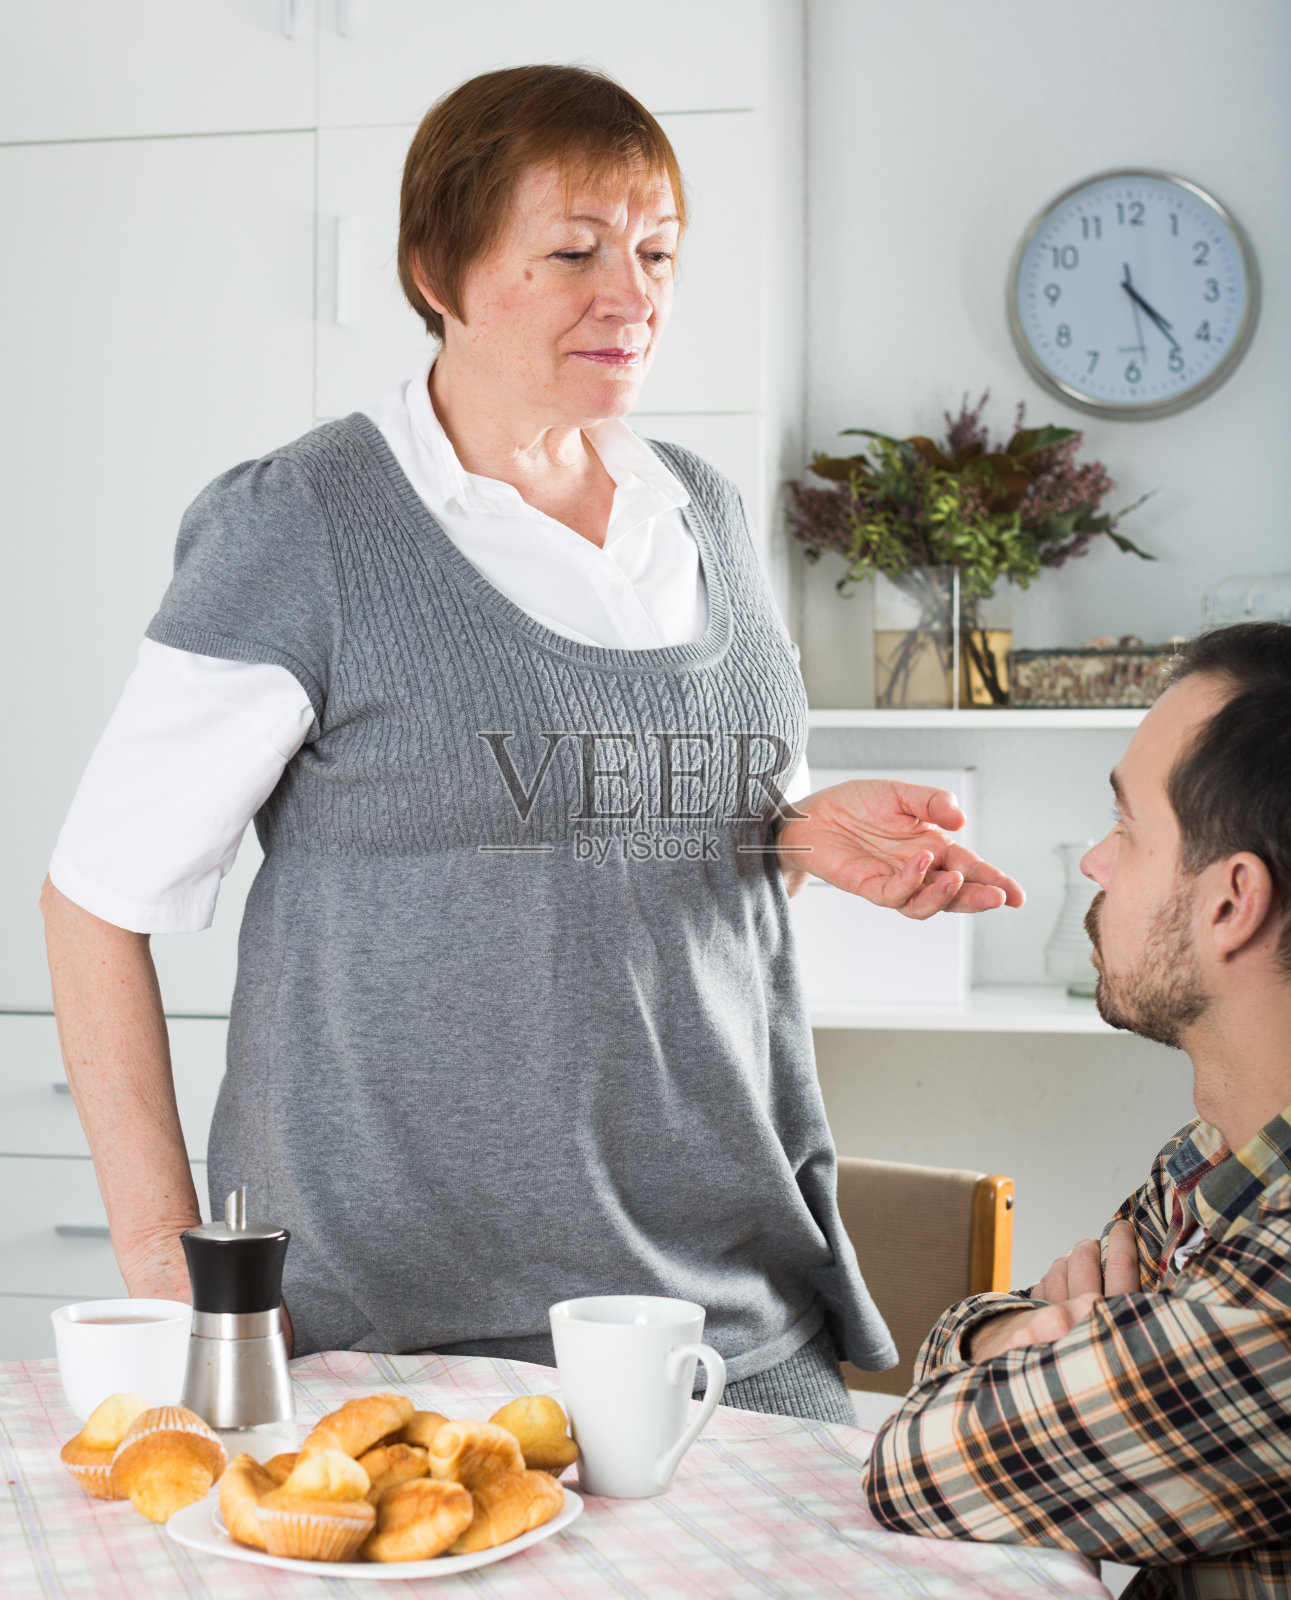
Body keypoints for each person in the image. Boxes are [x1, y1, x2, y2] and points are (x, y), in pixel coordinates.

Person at [39, 65, 1022, 1425]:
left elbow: (642, 837)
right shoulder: (302, 526)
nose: (630, 293)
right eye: (571, 252)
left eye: (657, 252)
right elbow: (97, 899)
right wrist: (175, 1287)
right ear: (435, 268)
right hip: (392, 1353)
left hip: (728, 1328)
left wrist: (792, 835)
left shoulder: (705, 514)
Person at [865, 621, 1291, 1596]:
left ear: (1231, 903)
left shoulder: (1276, 1293)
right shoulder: (1209, 1164)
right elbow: (972, 1339)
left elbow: (919, 1460)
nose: (1095, 862)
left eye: (1129, 830)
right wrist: (1004, 1337)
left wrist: (1030, 1345)